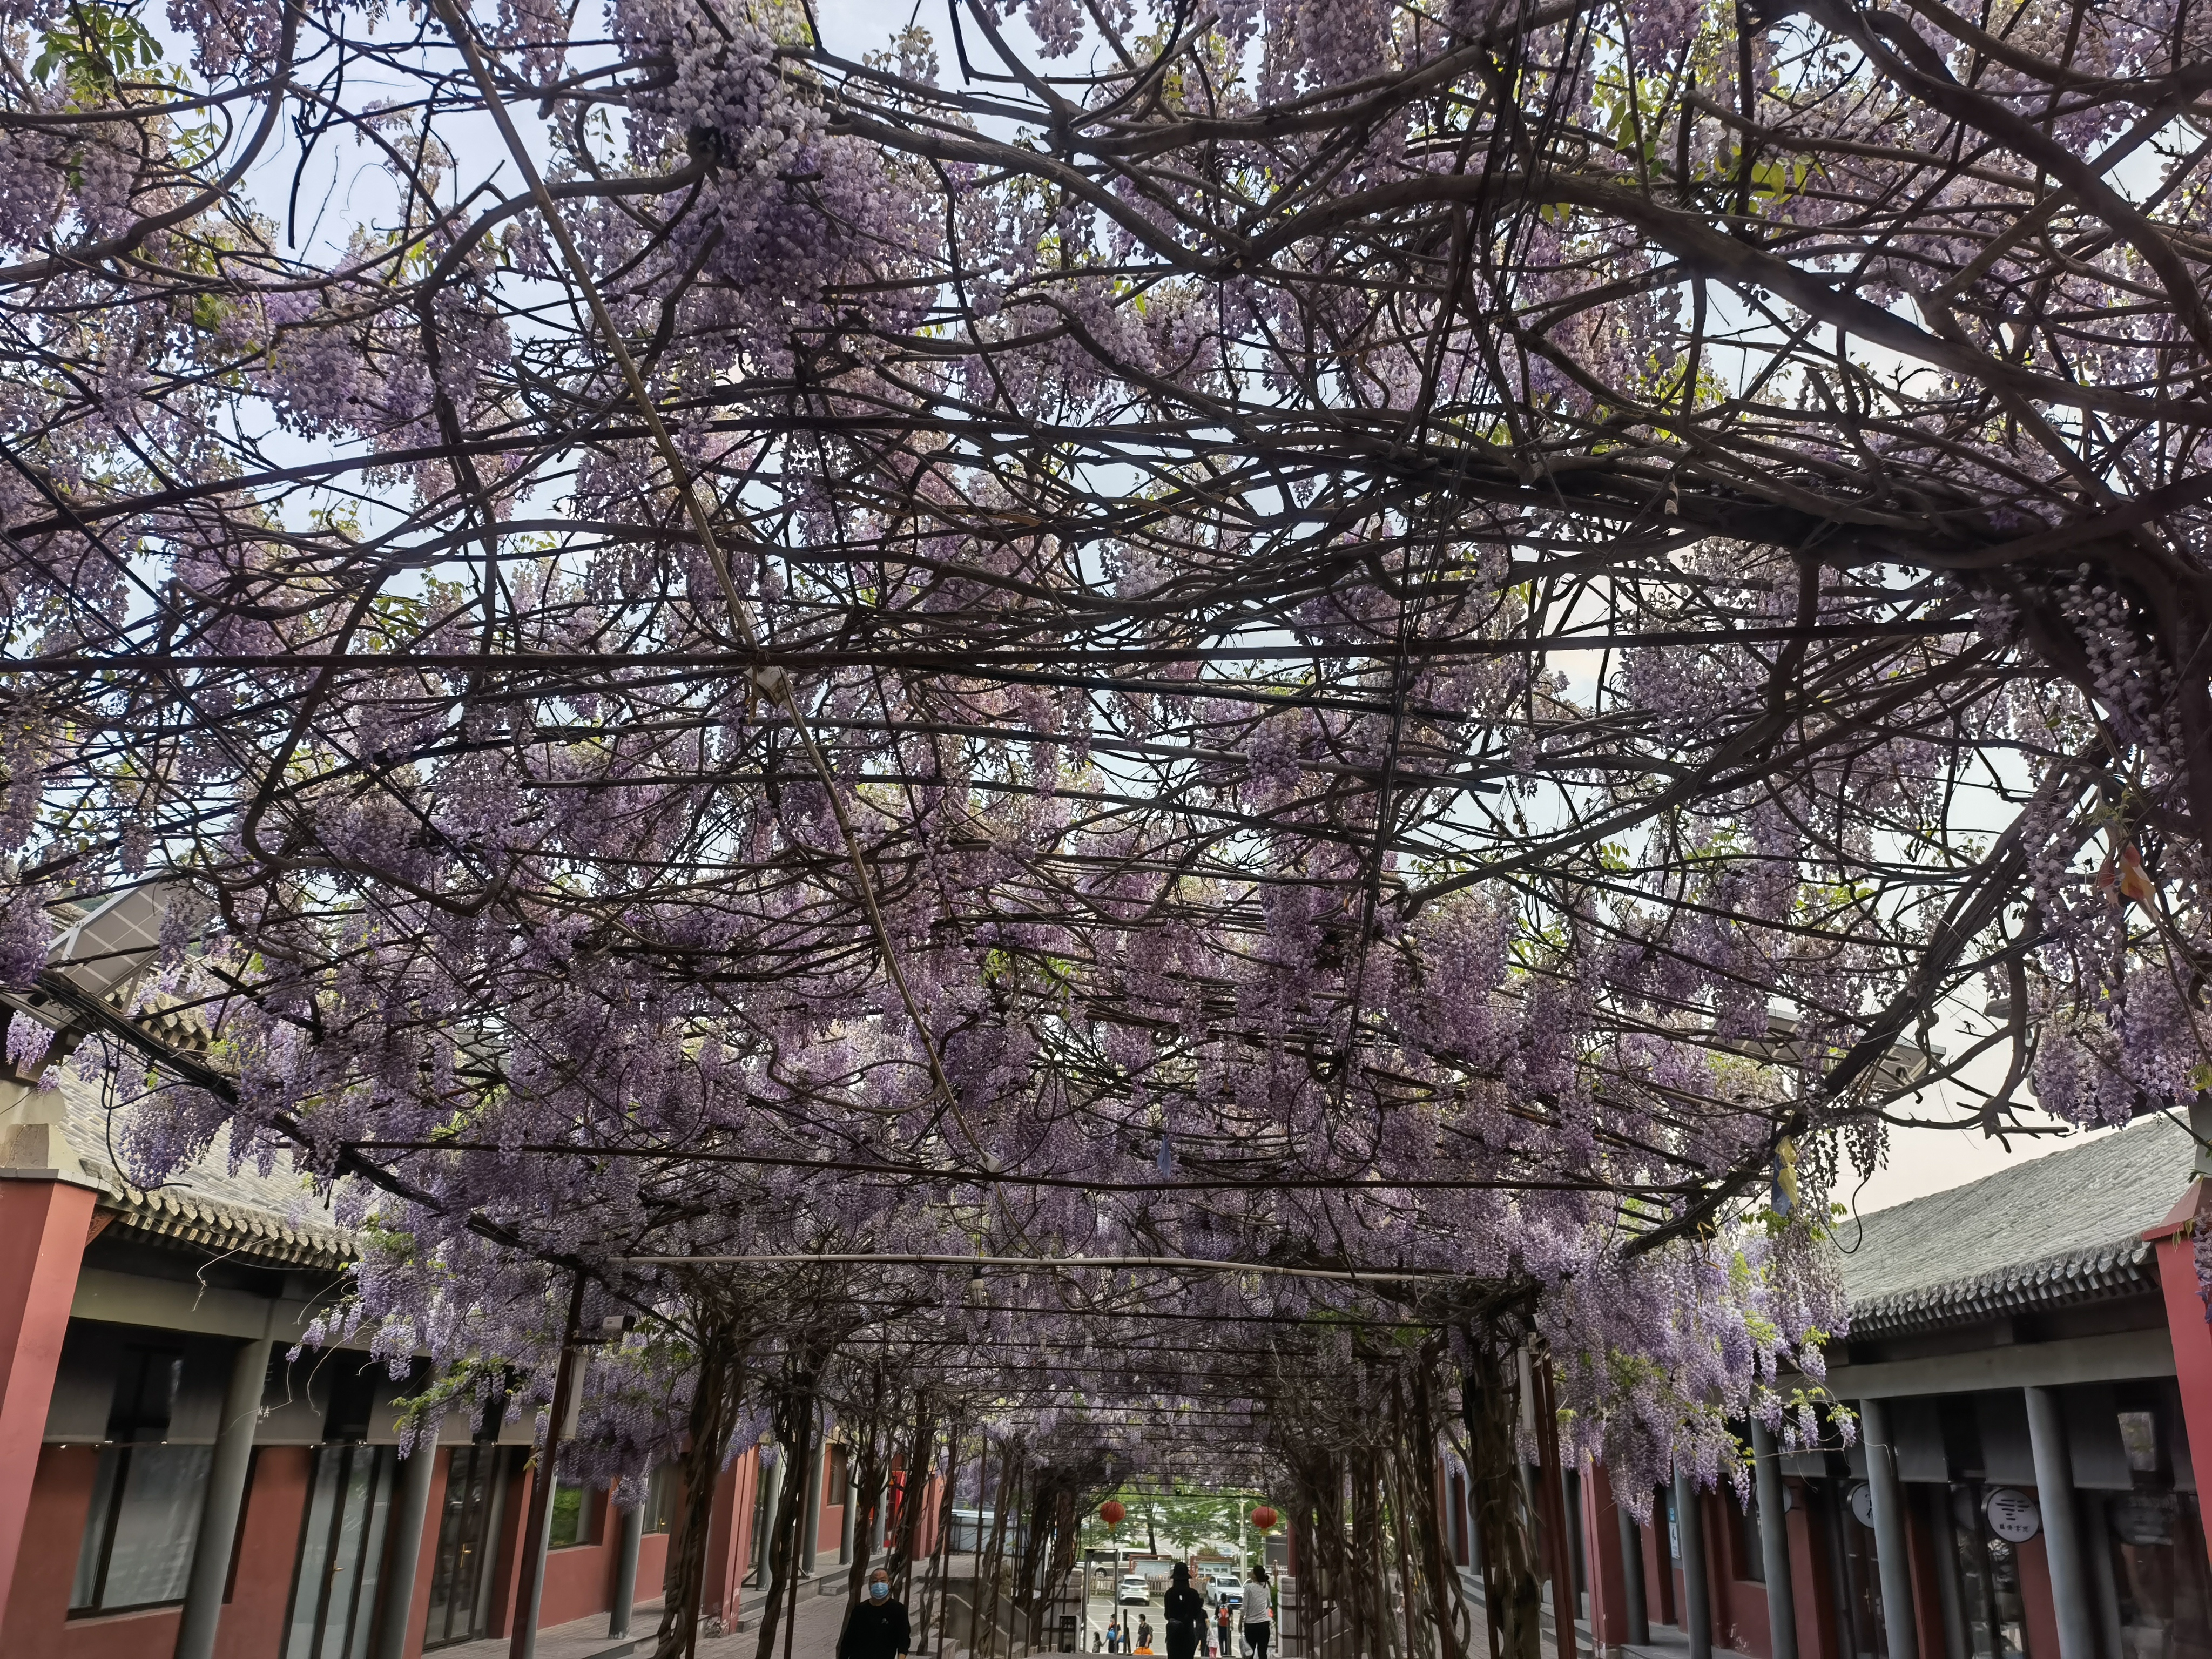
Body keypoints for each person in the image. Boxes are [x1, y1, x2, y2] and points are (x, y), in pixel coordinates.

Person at [838, 1569, 912, 1659]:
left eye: (883, 1580)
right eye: (875, 1581)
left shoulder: (898, 1610)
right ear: (870, 1586)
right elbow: (848, 1641)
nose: (879, 1584)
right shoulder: (860, 1610)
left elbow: (903, 1641)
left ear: (889, 1583)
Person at [1163, 1563, 1206, 1659]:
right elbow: (1196, 1615)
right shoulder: (1193, 1594)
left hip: (1173, 1633)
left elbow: (1167, 1615)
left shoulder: (1169, 1594)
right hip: (1188, 1632)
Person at [1240, 1567, 1272, 1659]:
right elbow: (1268, 1603)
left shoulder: (1249, 1587)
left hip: (1251, 1625)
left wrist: (1240, 1622)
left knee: (1250, 1653)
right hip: (1264, 1624)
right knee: (1263, 1653)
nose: (1250, 1572)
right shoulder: (1266, 1587)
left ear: (1255, 1575)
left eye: (1252, 1571)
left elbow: (1244, 1607)